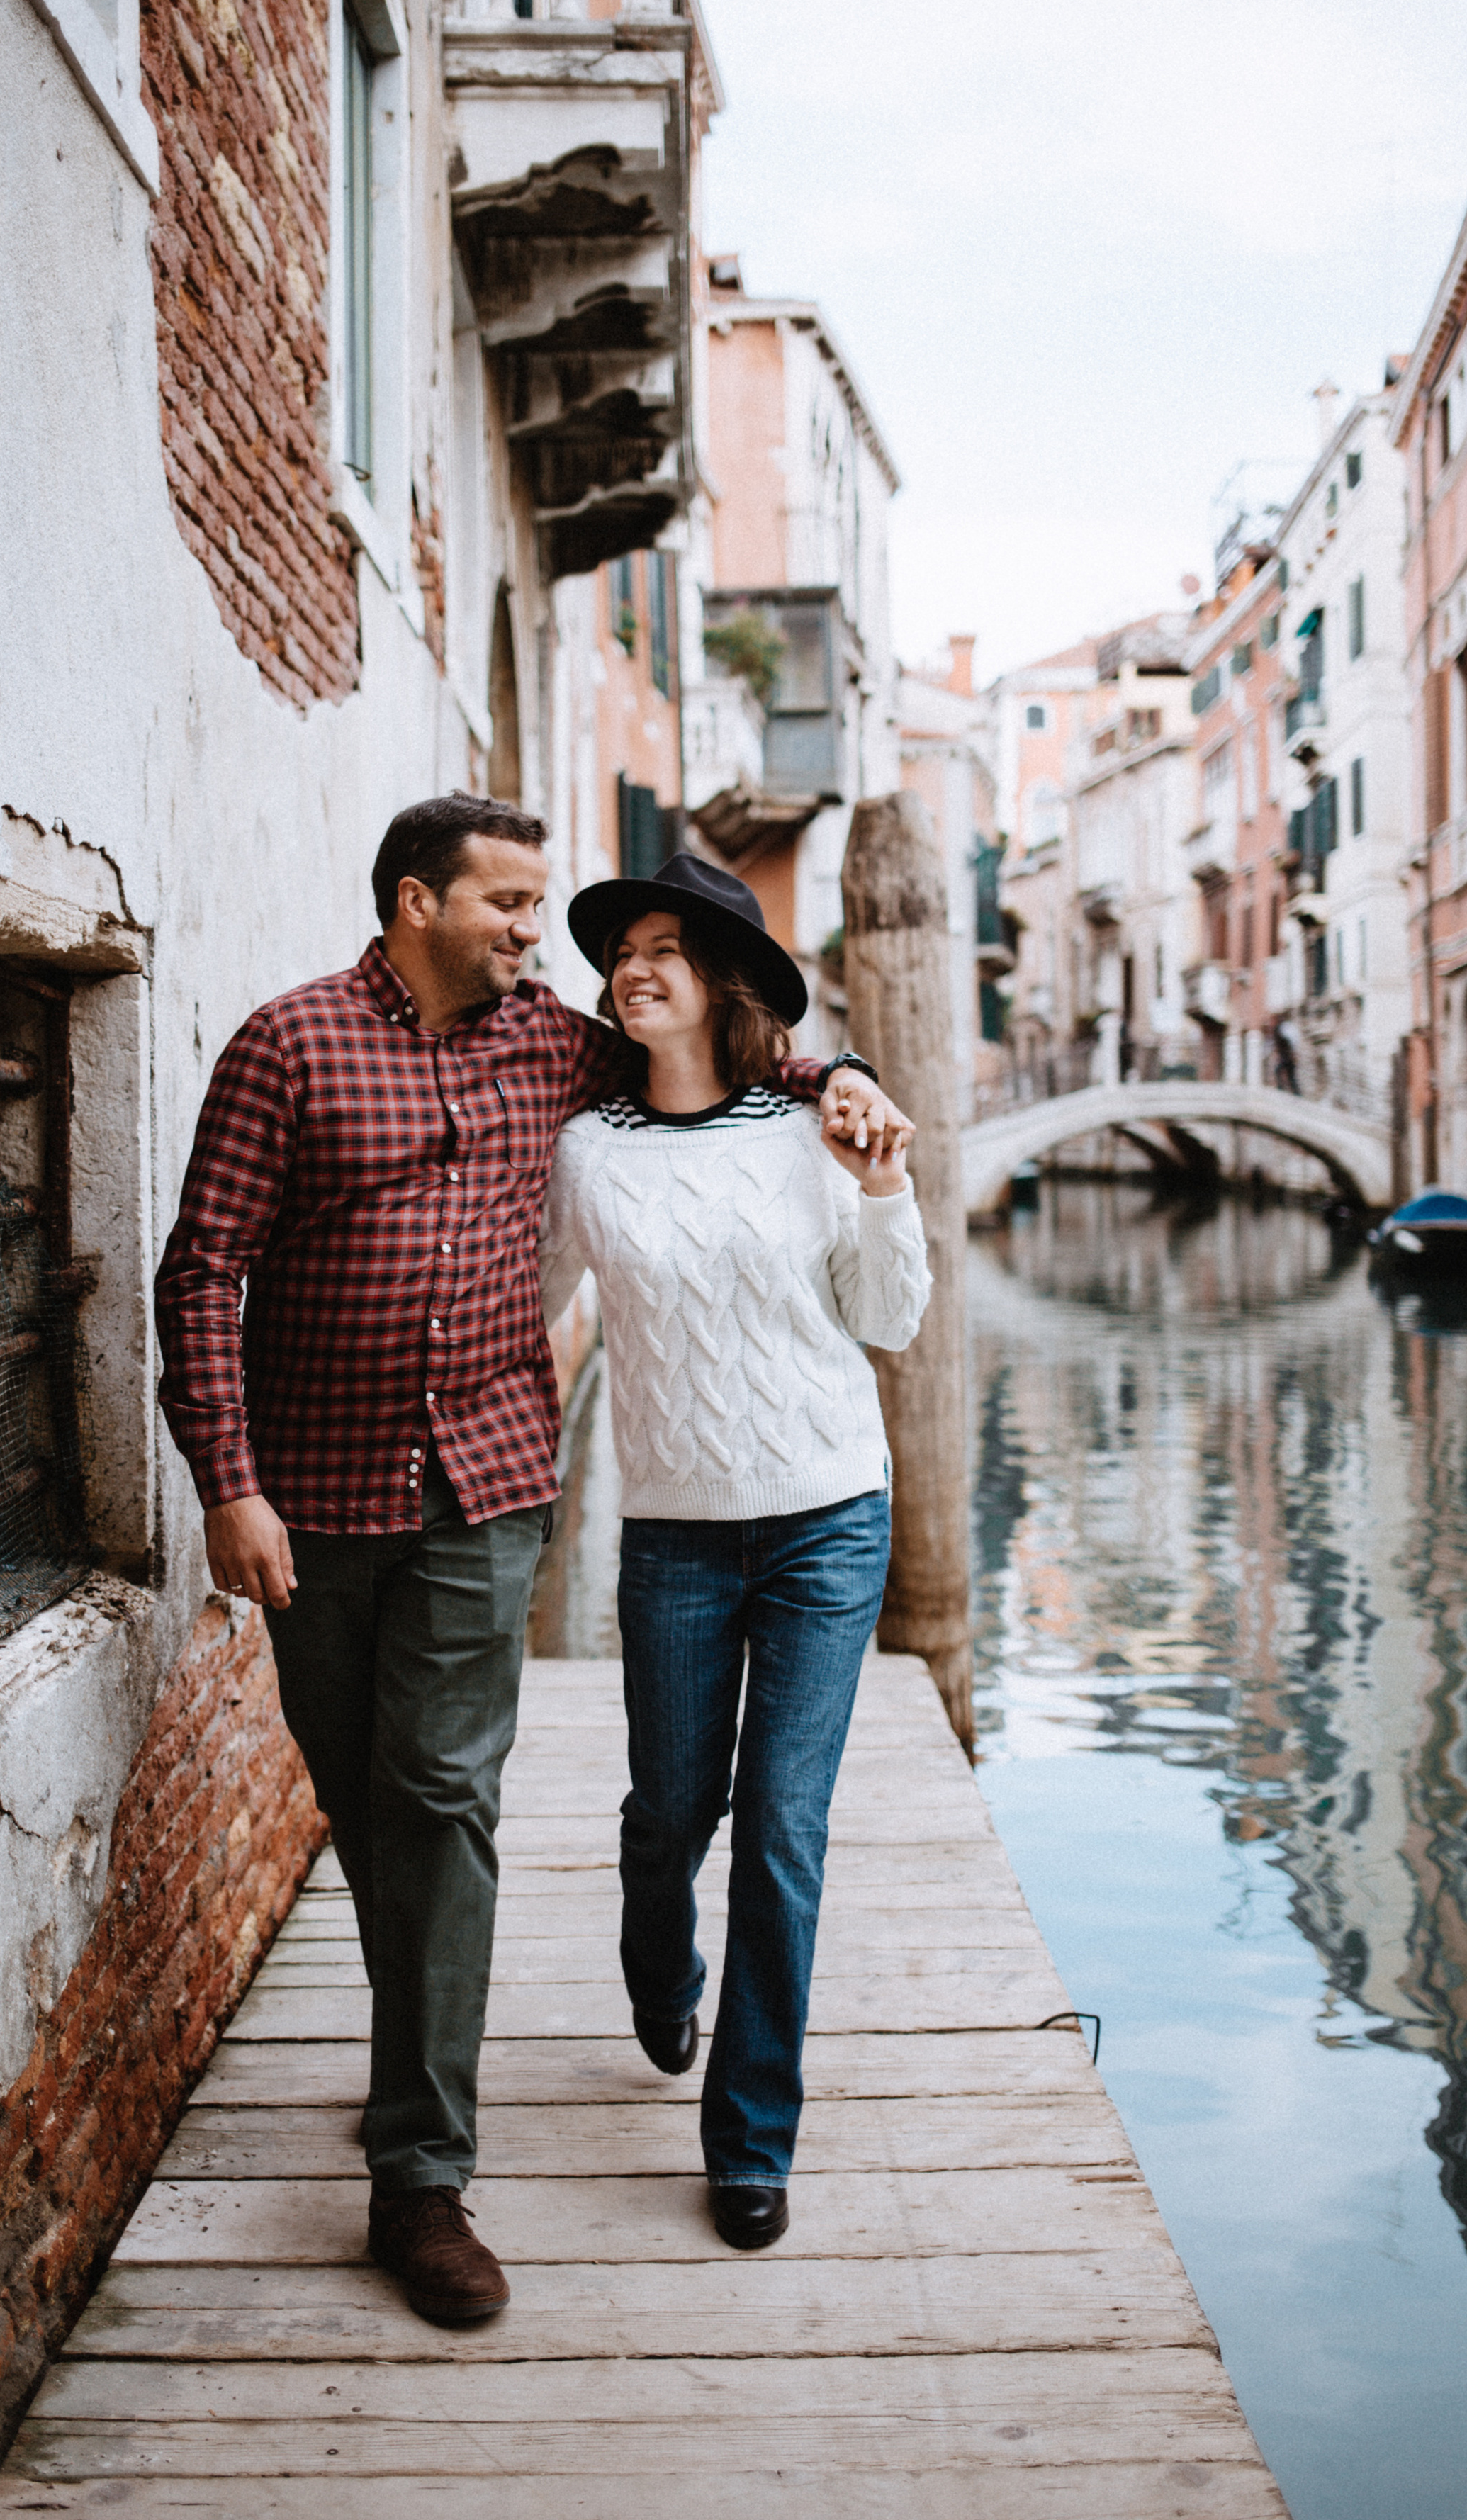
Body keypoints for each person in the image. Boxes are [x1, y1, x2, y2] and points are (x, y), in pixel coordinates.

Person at [152, 794, 910, 2326]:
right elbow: (200, 1270)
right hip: (313, 1489)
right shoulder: (288, 1046)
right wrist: (228, 1486)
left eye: (544, 910)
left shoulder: (549, 1046)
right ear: (413, 901)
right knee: (370, 1799)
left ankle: (420, 2178)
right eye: (507, 905)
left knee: (442, 1795)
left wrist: (845, 1080)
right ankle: (419, 2036)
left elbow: (739, 1061)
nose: (533, 937)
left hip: (493, 1487)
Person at [540, 850, 929, 2251]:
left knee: (779, 1828)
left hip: (828, 1517)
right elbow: (531, 1309)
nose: (630, 969)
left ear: (724, 982)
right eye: (618, 951)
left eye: (664, 948)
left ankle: (750, 2138)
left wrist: (881, 1187)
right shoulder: (585, 1148)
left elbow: (885, 1320)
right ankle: (660, 1972)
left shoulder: (816, 1126)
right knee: (667, 1816)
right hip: (674, 1537)